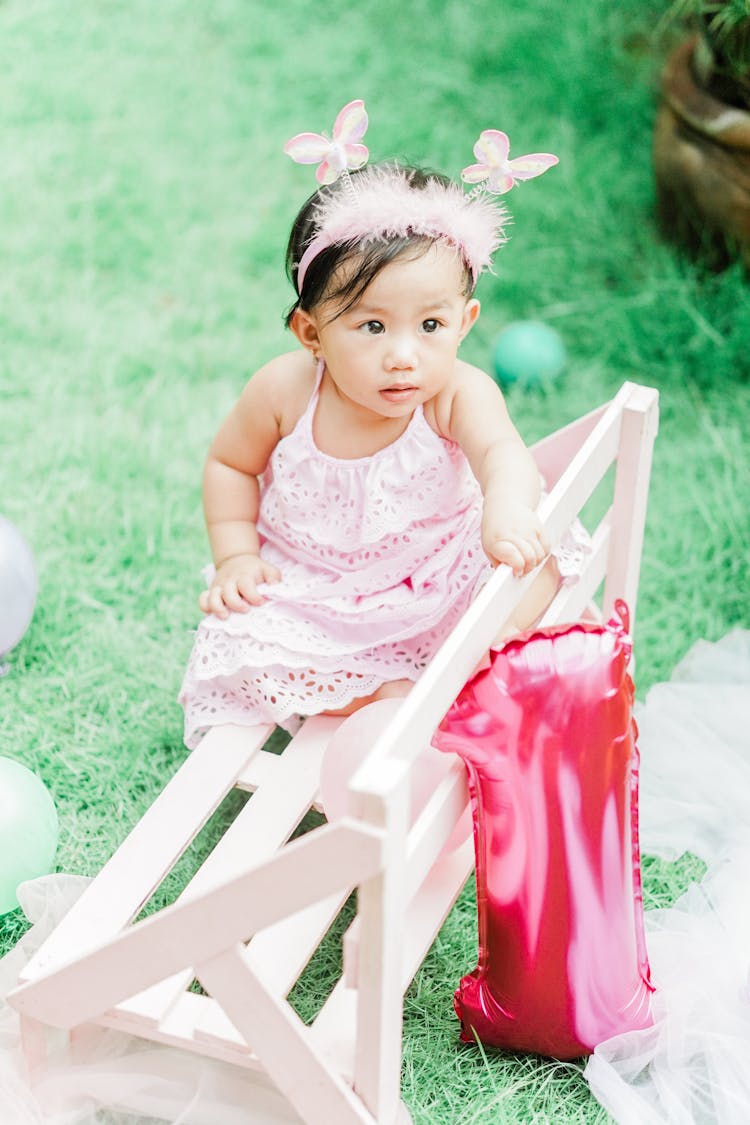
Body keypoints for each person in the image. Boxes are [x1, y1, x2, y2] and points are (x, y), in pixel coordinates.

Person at [179, 101, 584, 748]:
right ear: (311, 333)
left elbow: (504, 453)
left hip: (435, 564)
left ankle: (464, 666)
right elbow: (231, 464)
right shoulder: (284, 390)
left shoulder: (454, 392)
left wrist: (505, 510)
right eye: (372, 326)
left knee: (531, 571)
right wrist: (236, 557)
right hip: (319, 587)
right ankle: (387, 694)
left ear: (466, 320)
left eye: (431, 325)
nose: (404, 354)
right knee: (240, 638)